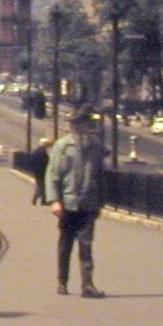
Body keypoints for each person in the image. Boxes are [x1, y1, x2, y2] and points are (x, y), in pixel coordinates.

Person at [45, 106, 106, 298]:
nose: (78, 127)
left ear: (87, 124)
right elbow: (53, 174)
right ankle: (62, 282)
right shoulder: (62, 146)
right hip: (68, 203)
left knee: (86, 245)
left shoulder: (96, 146)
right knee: (66, 244)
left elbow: (100, 176)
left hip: (88, 203)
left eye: (81, 123)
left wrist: (100, 201)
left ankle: (87, 284)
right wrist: (54, 200)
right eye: (75, 123)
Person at [28, 137, 52, 205]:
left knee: (41, 186)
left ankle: (42, 200)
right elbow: (44, 162)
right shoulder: (42, 151)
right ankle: (37, 199)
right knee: (41, 186)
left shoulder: (37, 150)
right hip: (41, 172)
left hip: (36, 171)